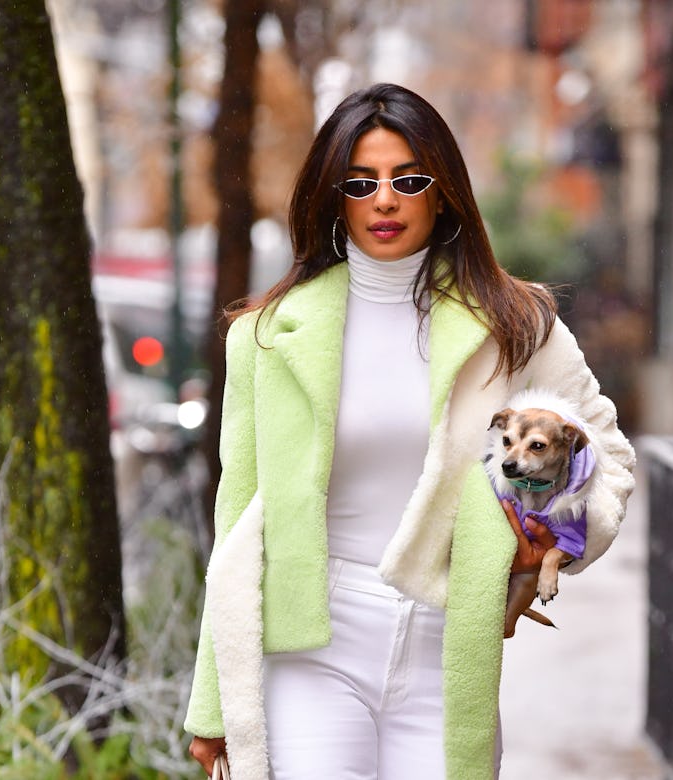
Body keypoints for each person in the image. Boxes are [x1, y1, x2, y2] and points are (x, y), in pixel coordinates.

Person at [184, 82, 635, 780]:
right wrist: (212, 703)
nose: (385, 200)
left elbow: (605, 450)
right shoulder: (268, 338)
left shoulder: (514, 324)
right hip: (312, 643)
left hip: (447, 638)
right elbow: (236, 519)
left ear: (443, 190)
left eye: (408, 179)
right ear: (334, 195)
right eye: (361, 182)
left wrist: (560, 535)